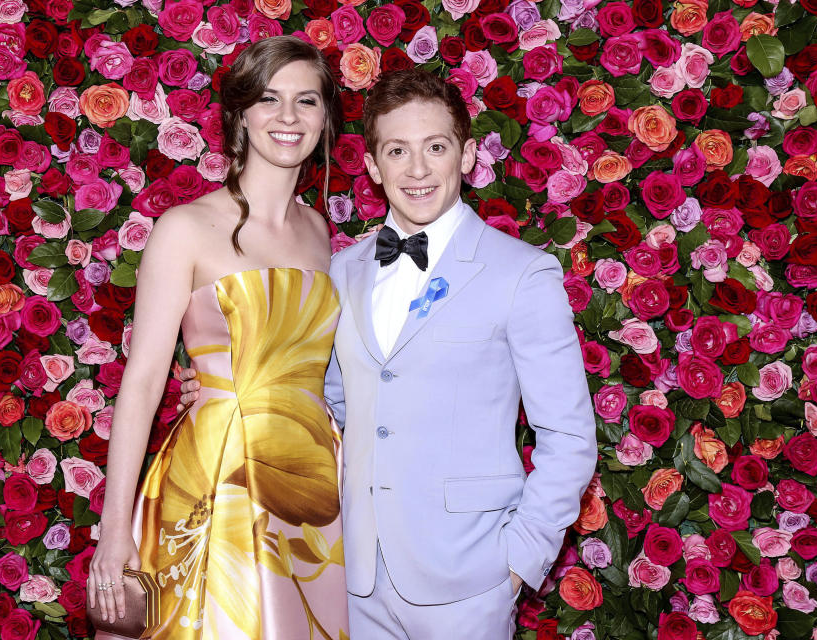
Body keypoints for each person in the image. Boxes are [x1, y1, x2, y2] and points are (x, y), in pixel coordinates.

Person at [180, 69, 597, 639]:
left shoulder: (522, 274)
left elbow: (569, 438)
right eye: (398, 151)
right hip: (355, 578)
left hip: (470, 581)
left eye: (436, 147)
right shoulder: (343, 270)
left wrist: (517, 563)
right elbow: (324, 401)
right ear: (374, 166)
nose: (418, 170)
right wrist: (234, 385)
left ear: (467, 155)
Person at [90, 36, 349, 640]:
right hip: (215, 480)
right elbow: (145, 382)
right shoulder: (185, 228)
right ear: (240, 115)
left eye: (306, 101)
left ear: (325, 117)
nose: (288, 118)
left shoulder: (323, 234)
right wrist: (114, 528)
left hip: (313, 483)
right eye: (269, 99)